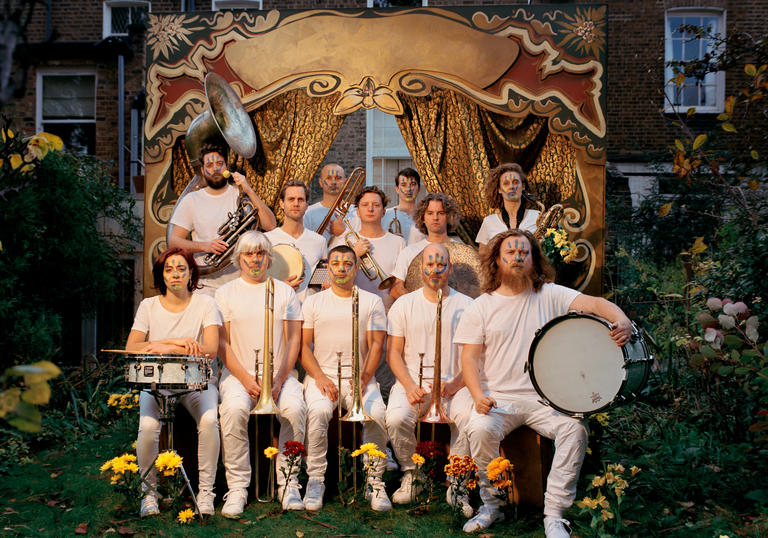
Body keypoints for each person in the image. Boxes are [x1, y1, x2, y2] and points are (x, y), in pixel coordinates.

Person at [453, 230, 632, 536]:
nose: (517, 257)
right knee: (480, 429)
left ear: (534, 259)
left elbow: (597, 303)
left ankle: (555, 514)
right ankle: (491, 506)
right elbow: (468, 360)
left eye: (524, 252)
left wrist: (622, 319)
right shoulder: (480, 306)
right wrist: (477, 395)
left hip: (544, 399)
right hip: (498, 398)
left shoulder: (550, 294)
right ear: (497, 260)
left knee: (574, 430)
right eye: (510, 252)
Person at [215, 231, 306, 516]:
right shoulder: (225, 293)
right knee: (232, 410)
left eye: (260, 254)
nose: (255, 260)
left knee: (295, 409)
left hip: (280, 375)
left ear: (269, 258)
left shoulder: (285, 291)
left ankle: (288, 482)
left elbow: (294, 340)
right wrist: (244, 378)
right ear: (238, 259)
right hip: (237, 375)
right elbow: (221, 343)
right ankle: (238, 487)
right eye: (248, 254)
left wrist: (278, 379)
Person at [126, 247, 221, 518]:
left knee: (209, 421)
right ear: (162, 276)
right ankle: (149, 494)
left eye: (181, 268)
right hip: (157, 383)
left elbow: (211, 349)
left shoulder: (206, 304)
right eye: (168, 269)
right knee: (147, 427)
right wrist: (175, 342)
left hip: (197, 383)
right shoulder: (149, 306)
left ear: (191, 273)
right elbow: (132, 346)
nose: (175, 274)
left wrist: (164, 345)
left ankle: (206, 493)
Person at [385, 243, 474, 516]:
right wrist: (410, 387)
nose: (435, 270)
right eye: (430, 264)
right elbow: (394, 354)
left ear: (450, 267)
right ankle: (413, 473)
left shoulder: (469, 306)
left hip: (454, 385)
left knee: (469, 419)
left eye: (441, 264)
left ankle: (458, 483)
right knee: (396, 418)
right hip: (413, 382)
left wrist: (456, 384)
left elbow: (475, 358)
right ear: (420, 267)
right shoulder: (403, 304)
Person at [300, 245, 391, 512]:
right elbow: (304, 347)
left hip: (359, 377)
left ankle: (374, 480)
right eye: (336, 263)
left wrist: (364, 378)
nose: (341, 268)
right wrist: (319, 377)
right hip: (322, 376)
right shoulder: (313, 301)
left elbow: (376, 345)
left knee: (378, 413)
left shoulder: (372, 301)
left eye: (347, 263)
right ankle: (316, 479)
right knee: (317, 413)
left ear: (355, 268)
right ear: (328, 267)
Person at [169, 140, 277, 295]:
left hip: (240, 284)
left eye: (219, 163)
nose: (215, 169)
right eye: (209, 165)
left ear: (226, 166)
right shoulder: (191, 200)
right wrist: (205, 246)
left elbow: (270, 225)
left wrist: (249, 190)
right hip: (205, 286)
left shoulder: (241, 195)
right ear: (203, 169)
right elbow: (174, 242)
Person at [329, 185, 405, 311]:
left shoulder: (399, 242)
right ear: (357, 212)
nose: (370, 209)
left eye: (376, 205)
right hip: (352, 309)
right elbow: (333, 279)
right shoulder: (343, 241)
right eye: (365, 205)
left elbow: (399, 283)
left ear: (383, 212)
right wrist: (354, 254)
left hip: (387, 309)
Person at [389, 193, 462, 300]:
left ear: (449, 217)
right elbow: (395, 288)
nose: (435, 218)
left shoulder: (463, 250)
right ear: (422, 217)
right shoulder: (409, 252)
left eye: (441, 213)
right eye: (430, 213)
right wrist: (417, 305)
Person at [265, 180, 327, 302]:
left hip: (310, 313)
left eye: (301, 199)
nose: (296, 203)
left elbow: (324, 281)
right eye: (291, 199)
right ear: (282, 203)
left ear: (307, 204)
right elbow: (258, 281)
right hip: (279, 309)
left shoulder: (320, 241)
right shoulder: (267, 239)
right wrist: (280, 288)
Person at [475, 163, 541, 258]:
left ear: (523, 186)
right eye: (506, 183)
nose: (511, 187)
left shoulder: (537, 217)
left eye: (515, 182)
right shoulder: (489, 222)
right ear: (499, 189)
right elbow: (482, 256)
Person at [303, 163, 347, 241]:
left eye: (338, 178)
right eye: (329, 178)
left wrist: (343, 232)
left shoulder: (356, 212)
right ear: (320, 182)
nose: (333, 182)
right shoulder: (308, 212)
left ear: (345, 182)